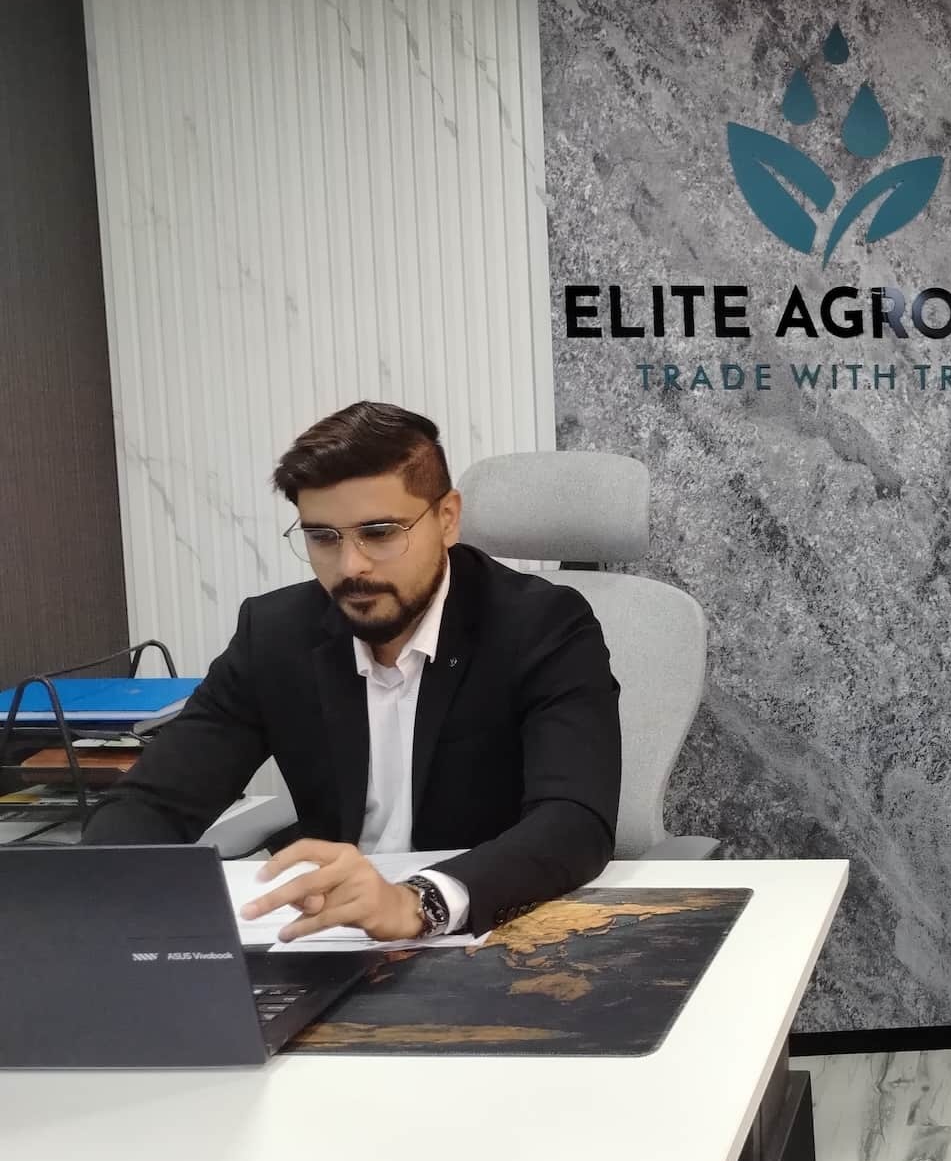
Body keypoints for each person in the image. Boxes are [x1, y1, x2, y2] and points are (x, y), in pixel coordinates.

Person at [85, 402, 622, 940]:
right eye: (323, 537)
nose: (351, 567)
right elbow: (152, 801)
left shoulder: (542, 626)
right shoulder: (274, 634)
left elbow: (574, 822)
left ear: (447, 519)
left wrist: (421, 901)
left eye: (380, 532)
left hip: (489, 925)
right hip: (331, 935)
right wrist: (101, 902)